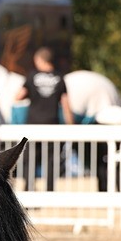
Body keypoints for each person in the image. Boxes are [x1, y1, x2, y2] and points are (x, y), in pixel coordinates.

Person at [14, 47, 75, 191]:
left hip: (33, 125)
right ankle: (49, 191)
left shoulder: (32, 76)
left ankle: (29, 190)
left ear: (39, 60)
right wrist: (71, 125)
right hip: (52, 125)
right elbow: (66, 105)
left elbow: (18, 96)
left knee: (30, 161)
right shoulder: (59, 77)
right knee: (52, 161)